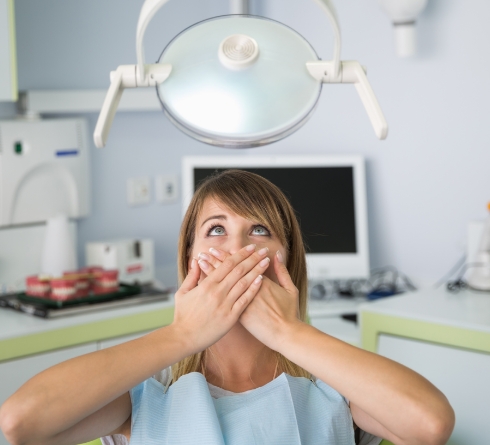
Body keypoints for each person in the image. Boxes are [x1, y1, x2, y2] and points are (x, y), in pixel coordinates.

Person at [0, 170, 454, 445]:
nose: (236, 247)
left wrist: (288, 332)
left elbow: (429, 425)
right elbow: (21, 423)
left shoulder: (331, 389)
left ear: (286, 260)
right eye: (216, 230)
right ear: (188, 259)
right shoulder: (146, 394)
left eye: (259, 231)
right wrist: (182, 336)